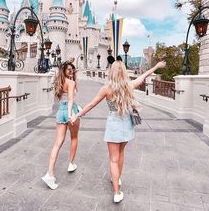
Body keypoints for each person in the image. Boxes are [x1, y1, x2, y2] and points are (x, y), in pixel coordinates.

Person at [71, 60, 166, 203]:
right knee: (121, 154)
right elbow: (144, 76)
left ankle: (117, 192)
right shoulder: (129, 86)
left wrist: (77, 115)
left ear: (112, 72)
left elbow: (91, 104)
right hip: (126, 124)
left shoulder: (106, 89)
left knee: (113, 159)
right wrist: (157, 66)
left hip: (113, 124)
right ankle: (117, 180)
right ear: (124, 72)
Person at [42, 61, 81, 190]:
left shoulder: (59, 82)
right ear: (64, 70)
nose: (71, 71)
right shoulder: (71, 83)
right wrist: (71, 114)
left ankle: (50, 173)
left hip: (60, 111)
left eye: (72, 69)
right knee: (74, 138)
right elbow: (70, 99)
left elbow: (62, 100)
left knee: (57, 143)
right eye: (68, 69)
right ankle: (71, 163)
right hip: (70, 111)